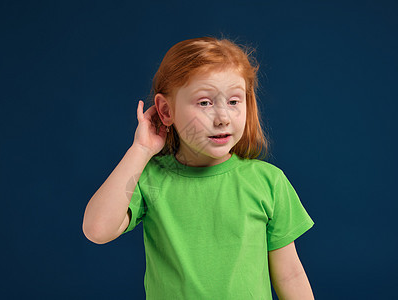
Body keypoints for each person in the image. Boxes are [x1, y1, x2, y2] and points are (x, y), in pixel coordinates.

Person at [82, 36, 315, 299]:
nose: (223, 118)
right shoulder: (152, 178)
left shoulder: (268, 182)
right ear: (166, 111)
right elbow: (97, 229)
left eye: (234, 101)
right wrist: (141, 150)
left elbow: (290, 274)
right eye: (205, 102)